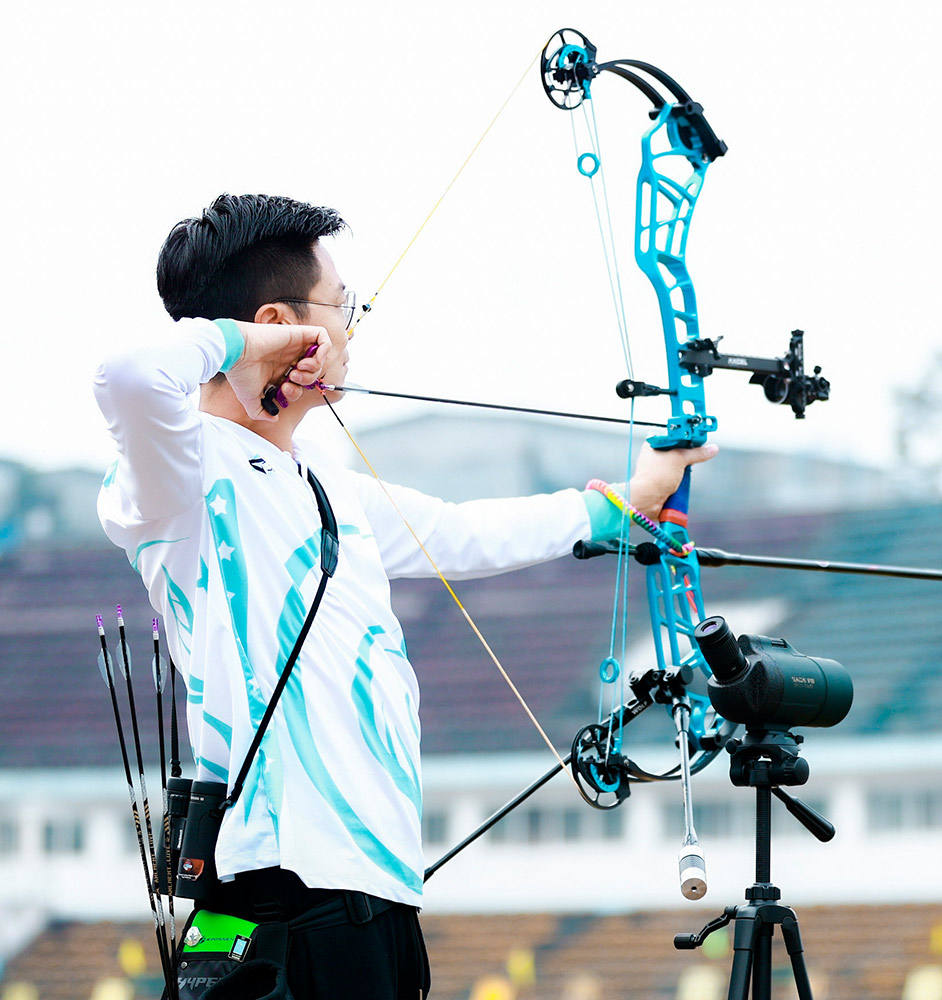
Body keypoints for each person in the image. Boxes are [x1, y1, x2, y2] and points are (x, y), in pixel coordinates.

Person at [94, 193, 717, 999]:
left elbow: (464, 533)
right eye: (340, 309)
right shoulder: (182, 471)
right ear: (281, 324)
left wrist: (626, 503)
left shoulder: (327, 486)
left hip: (375, 896)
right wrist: (261, 344)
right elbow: (128, 376)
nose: (351, 331)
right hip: (284, 896)